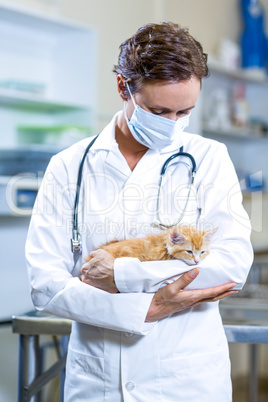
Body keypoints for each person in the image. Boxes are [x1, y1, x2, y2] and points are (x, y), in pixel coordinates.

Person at [26, 22, 253, 401]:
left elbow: (231, 265)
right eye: (159, 110)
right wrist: (147, 307)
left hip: (187, 381)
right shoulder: (69, 166)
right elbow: (46, 283)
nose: (172, 125)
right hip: (97, 381)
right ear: (123, 88)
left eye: (185, 112)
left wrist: (121, 276)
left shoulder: (209, 158)